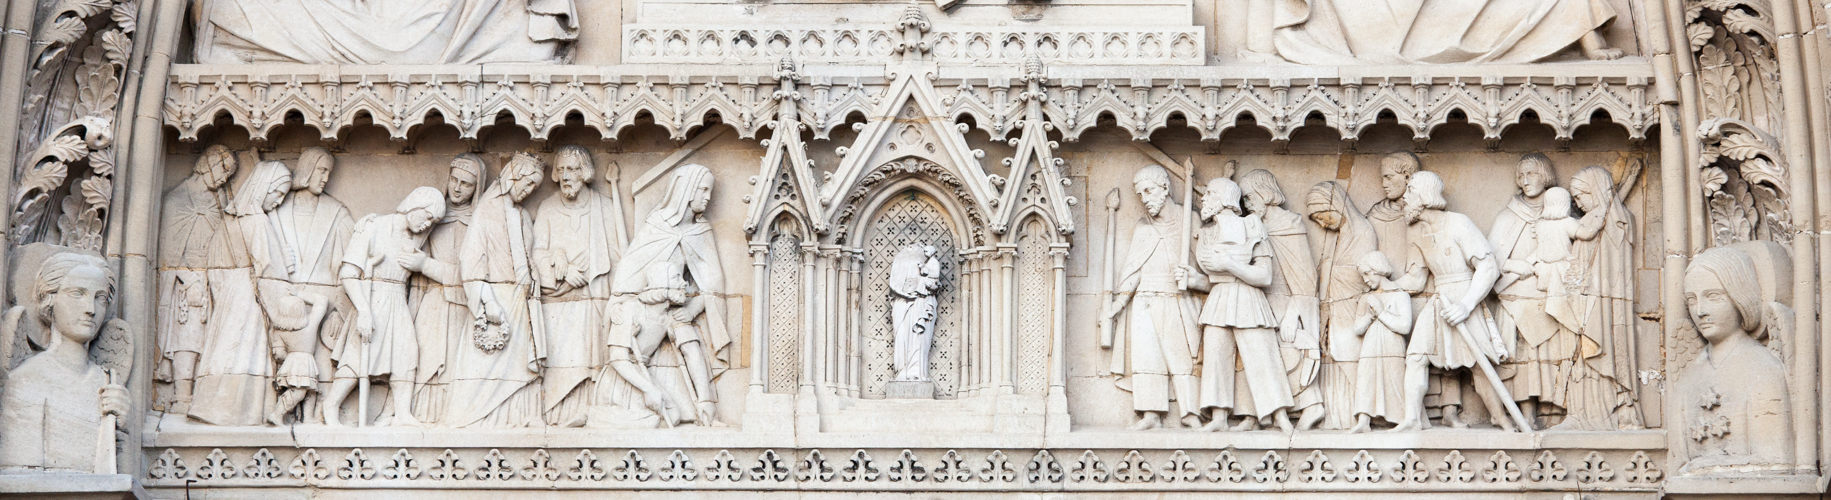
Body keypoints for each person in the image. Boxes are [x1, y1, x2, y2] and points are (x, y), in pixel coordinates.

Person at [191, 161, 318, 426]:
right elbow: (269, 272)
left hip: (231, 294)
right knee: (245, 350)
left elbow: (216, 266)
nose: (279, 201)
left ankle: (211, 405)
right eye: (277, 193)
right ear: (262, 187)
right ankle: (239, 412)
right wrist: (289, 292)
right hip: (252, 296)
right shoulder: (259, 221)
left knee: (226, 348)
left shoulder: (230, 220)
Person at [603, 164, 731, 427]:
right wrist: (621, 302)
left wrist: (692, 309)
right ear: (686, 190)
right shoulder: (656, 226)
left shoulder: (701, 231)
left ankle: (706, 410)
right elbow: (630, 271)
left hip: (676, 306)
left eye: (709, 191)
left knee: (690, 343)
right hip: (647, 305)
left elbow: (713, 283)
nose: (708, 197)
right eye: (703, 190)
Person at [1390, 171, 1517, 432]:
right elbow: (1417, 279)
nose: (1404, 197)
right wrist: (1384, 287)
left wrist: (1466, 305)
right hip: (1439, 299)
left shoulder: (1458, 223)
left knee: (1479, 364)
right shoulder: (1416, 232)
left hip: (1464, 296)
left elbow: (1488, 267)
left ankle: (1499, 417)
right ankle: (1412, 419)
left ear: (1425, 195)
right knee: (1416, 357)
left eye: (1410, 191)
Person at [323, 187, 447, 427]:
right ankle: (331, 404)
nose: (427, 225)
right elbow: (349, 274)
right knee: (358, 357)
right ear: (415, 205)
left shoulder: (415, 239)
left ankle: (402, 413)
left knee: (406, 354)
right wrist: (364, 311)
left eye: (433, 222)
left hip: (398, 300)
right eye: (428, 217)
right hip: (372, 299)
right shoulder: (372, 227)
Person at [0, 252, 129, 472]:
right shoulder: (27, 379)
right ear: (50, 299)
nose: (90, 309)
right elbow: (18, 475)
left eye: (99, 298)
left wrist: (121, 428)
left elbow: (121, 478)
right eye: (77, 294)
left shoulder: (107, 380)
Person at [532, 146, 628, 427]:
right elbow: (536, 252)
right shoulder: (548, 207)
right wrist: (557, 262)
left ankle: (591, 411)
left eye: (572, 169)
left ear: (585, 172)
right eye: (560, 169)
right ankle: (556, 415)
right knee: (559, 364)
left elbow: (619, 257)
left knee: (593, 361)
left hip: (595, 300)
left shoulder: (605, 207)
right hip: (557, 304)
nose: (565, 176)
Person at [448, 153, 546, 428]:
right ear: (514, 176)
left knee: (520, 366)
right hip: (496, 301)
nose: (529, 191)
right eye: (528, 183)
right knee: (485, 366)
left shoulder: (523, 215)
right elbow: (471, 263)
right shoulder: (486, 211)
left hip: (522, 301)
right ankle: (470, 421)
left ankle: (519, 416)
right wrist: (488, 302)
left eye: (535, 187)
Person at [1674, 247, 1793, 474]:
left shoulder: (1764, 369)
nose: (1700, 311)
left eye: (1713, 296)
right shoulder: (1688, 379)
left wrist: (1704, 468)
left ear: (1740, 296)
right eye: (1692, 299)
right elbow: (1677, 467)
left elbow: (1776, 463)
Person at [1102, 165, 1202, 431]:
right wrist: (1118, 303)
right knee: (1147, 357)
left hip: (1177, 299)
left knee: (1184, 357)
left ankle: (1190, 411)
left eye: (1148, 191)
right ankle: (1151, 413)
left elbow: (1207, 265)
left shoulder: (1189, 220)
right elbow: (1133, 269)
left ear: (1165, 188)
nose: (1144, 199)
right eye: (1139, 194)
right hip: (1145, 299)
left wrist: (1194, 278)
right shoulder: (1143, 227)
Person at [1189, 177, 1293, 433]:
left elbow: (1264, 276)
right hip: (1218, 299)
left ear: (1225, 198)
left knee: (1261, 355)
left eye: (1210, 193)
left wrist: (1229, 264)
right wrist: (1195, 280)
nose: (1204, 199)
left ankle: (1279, 415)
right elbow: (1213, 279)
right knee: (1216, 356)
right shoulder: (1206, 234)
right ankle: (1219, 416)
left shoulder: (1251, 225)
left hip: (1249, 298)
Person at [1488, 153, 1576, 427]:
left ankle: (1556, 408)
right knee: (1523, 355)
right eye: (1521, 176)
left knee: (1551, 354)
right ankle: (1526, 413)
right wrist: (1515, 265)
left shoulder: (1561, 214)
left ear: (1545, 176)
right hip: (1515, 296)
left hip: (1549, 295)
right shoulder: (1508, 217)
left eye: (1532, 174)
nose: (1525, 181)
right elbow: (1489, 260)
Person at [1556, 165, 1644, 430]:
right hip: (1601, 300)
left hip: (1597, 301)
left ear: (1595, 190)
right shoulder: (1621, 218)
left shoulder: (1599, 220)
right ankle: (1592, 413)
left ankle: (1590, 416)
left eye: (1581, 195)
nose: (1578, 203)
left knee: (1592, 349)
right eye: (1574, 198)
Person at [274, 147, 356, 424]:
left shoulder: (337, 213)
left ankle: (318, 417)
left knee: (321, 370)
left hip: (325, 303)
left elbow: (350, 266)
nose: (325, 178)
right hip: (286, 305)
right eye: (321, 170)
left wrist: (340, 313)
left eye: (329, 172)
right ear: (307, 169)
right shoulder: (277, 210)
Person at [1239, 170, 1325, 430]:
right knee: (1259, 355)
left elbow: (1306, 277)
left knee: (1291, 354)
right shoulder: (1254, 225)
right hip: (1260, 300)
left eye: (1250, 197)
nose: (1247, 204)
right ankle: (1255, 412)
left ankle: (1312, 405)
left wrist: (1292, 313)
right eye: (1243, 199)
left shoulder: (1290, 224)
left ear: (1265, 193)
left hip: (1285, 301)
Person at [156, 145, 238, 415]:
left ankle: (208, 395)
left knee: (213, 337)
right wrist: (190, 280)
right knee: (188, 337)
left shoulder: (219, 202)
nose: (224, 178)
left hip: (214, 278)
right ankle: (182, 396)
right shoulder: (176, 200)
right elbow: (168, 252)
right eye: (223, 169)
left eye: (229, 174)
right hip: (185, 281)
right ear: (207, 163)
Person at [410, 154, 487, 424]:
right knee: (423, 362)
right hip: (431, 302)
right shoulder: (431, 216)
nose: (457, 188)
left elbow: (477, 273)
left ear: (476, 189)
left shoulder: (480, 222)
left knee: (455, 366)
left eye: (466, 184)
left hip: (464, 307)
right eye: (454, 180)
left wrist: (427, 266)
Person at [1306, 181, 1379, 431]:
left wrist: (1331, 271)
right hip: (1333, 309)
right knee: (1332, 357)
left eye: (1323, 216)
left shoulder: (1363, 232)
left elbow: (1364, 273)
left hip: (1352, 307)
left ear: (1336, 205)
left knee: (1350, 356)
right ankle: (1336, 417)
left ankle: (1358, 415)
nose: (1322, 224)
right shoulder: (1338, 237)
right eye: (1317, 221)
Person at [1346, 251, 1410, 433]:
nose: (1365, 280)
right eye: (1363, 276)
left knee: (1394, 380)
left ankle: (1400, 418)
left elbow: (1405, 326)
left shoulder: (1400, 296)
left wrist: (1381, 313)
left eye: (1367, 273)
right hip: (1370, 345)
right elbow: (1357, 328)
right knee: (1366, 379)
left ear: (1379, 269)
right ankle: (1363, 420)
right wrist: (1369, 316)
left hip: (1392, 345)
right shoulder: (1366, 298)